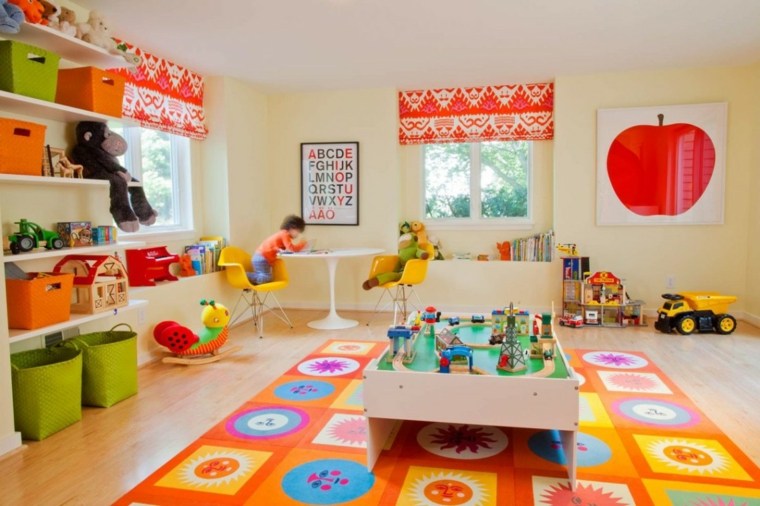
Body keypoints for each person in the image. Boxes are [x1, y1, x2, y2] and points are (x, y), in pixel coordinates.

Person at [249, 215, 307, 285]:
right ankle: (244, 275)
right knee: (267, 277)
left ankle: (250, 279)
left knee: (265, 277)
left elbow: (281, 248)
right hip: (262, 257)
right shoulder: (285, 234)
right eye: (298, 231)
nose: (298, 234)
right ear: (292, 227)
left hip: (260, 257)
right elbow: (292, 248)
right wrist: (302, 244)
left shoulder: (282, 233)